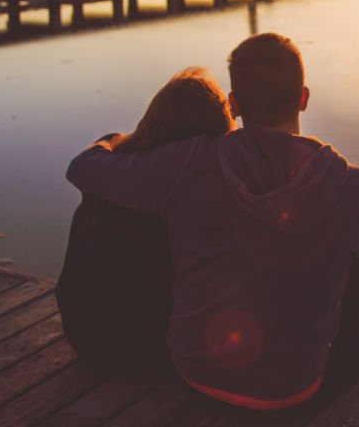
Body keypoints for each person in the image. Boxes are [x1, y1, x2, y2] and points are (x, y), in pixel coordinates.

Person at [66, 33, 359, 410]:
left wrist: (112, 140)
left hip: (196, 378)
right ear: (304, 97)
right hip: (294, 392)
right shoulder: (357, 187)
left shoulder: (191, 162)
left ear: (234, 105)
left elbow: (83, 168)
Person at [56, 68, 235, 376]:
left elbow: (80, 166)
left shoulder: (119, 171)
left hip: (88, 339)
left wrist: (112, 140)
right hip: (158, 350)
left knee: (98, 199)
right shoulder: (212, 171)